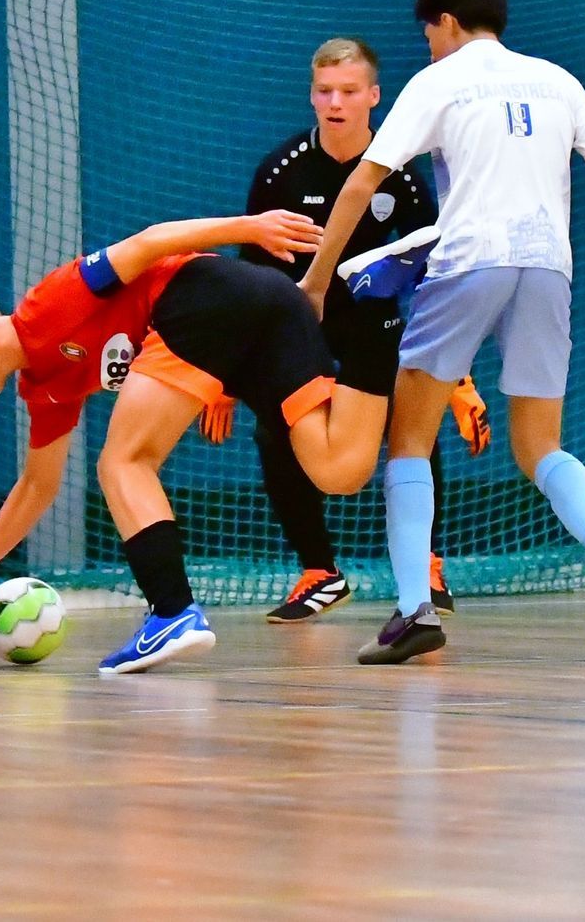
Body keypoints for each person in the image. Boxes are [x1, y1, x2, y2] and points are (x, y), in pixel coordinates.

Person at [299, 0, 585, 665]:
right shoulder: (557, 80)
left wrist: (319, 279)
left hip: (467, 264)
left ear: (448, 22)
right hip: (547, 268)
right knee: (540, 446)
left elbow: (362, 182)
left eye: (429, 33)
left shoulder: (439, 81)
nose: (428, 46)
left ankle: (414, 611)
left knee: (409, 440)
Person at [0, 211, 392, 675]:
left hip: (211, 295)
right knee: (338, 469)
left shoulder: (46, 305)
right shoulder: (44, 387)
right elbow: (37, 486)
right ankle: (379, 321)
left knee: (123, 463)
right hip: (267, 313)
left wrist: (251, 228)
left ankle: (172, 613)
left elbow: (148, 243)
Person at [205, 37, 489, 623]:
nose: (335, 103)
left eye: (349, 91)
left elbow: (432, 276)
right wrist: (226, 377)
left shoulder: (401, 176)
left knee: (414, 428)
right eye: (325, 91)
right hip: (295, 326)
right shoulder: (281, 170)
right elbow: (249, 276)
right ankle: (319, 572)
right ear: (312, 96)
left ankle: (425, 564)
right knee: (275, 432)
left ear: (373, 96)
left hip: (373, 324)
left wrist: (457, 377)